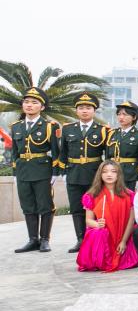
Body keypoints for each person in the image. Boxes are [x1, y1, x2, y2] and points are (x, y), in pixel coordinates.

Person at [57, 92, 110, 253]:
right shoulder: (68, 129)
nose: (84, 111)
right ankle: (80, 239)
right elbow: (63, 153)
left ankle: (95, 238)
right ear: (76, 110)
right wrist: (62, 172)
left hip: (94, 175)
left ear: (94, 110)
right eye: (81, 108)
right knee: (76, 208)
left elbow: (107, 156)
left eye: (88, 108)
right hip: (73, 174)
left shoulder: (102, 130)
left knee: (96, 208)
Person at [10, 87, 62, 253]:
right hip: (23, 171)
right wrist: (15, 173)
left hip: (42, 171)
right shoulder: (16, 127)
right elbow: (14, 153)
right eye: (26, 102)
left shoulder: (49, 126)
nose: (29, 105)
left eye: (34, 102)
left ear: (42, 107)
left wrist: (55, 172)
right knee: (28, 206)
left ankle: (45, 239)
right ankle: (33, 239)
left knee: (45, 205)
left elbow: (56, 151)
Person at [76, 160, 138, 272]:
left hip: (123, 235)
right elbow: (88, 221)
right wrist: (97, 224)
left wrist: (123, 241)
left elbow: (131, 221)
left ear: (118, 174)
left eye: (113, 171)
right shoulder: (92, 195)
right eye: (105, 171)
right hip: (105, 235)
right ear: (100, 175)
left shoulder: (129, 195)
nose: (109, 174)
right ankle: (98, 258)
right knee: (97, 232)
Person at [105, 100, 138, 190]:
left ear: (134, 117)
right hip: (112, 173)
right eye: (119, 114)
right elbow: (107, 157)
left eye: (125, 114)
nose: (121, 117)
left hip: (130, 174)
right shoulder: (112, 134)